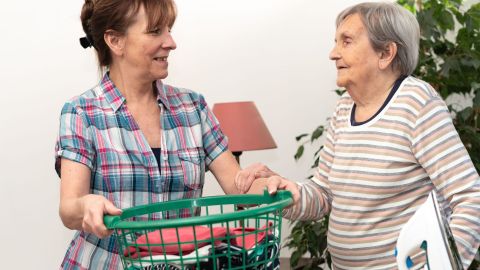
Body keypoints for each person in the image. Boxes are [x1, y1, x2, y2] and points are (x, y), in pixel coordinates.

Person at [238, 2, 480, 269]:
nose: (333, 53)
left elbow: (471, 197)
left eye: (347, 41)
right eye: (336, 42)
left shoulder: (416, 103)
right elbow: (324, 195)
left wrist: (441, 265)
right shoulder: (344, 109)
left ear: (386, 53)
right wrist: (287, 190)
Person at [54, 0, 275, 268]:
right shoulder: (82, 112)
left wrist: (274, 187)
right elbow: (69, 208)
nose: (171, 42)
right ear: (115, 41)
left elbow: (239, 185)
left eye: (169, 30)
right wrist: (86, 205)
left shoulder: (193, 107)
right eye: (155, 31)